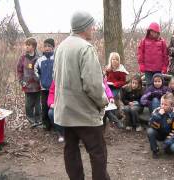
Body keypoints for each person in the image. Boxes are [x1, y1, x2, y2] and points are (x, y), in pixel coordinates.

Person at [53, 11, 110, 180]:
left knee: (71, 150)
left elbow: (56, 78)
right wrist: (103, 101)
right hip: (85, 113)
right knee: (98, 152)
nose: (93, 28)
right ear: (84, 27)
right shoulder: (85, 48)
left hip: (66, 111)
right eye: (91, 25)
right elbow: (92, 85)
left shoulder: (61, 47)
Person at [147, 93, 174, 158]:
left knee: (173, 149)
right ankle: (155, 150)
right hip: (158, 133)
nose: (162, 106)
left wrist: (169, 139)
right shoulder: (156, 111)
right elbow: (150, 124)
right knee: (150, 131)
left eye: (165, 105)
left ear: (171, 105)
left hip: (168, 134)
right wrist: (158, 115)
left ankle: (166, 146)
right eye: (162, 104)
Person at [17, 37, 41, 127]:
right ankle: (31, 120)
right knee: (28, 104)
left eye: (28, 45)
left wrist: (40, 79)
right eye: (26, 45)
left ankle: (38, 120)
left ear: (34, 46)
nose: (26, 47)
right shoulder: (23, 58)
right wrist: (21, 81)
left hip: (37, 85)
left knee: (38, 104)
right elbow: (19, 70)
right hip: (27, 85)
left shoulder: (39, 58)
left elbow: (41, 70)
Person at [137, 22, 169, 87]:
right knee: (149, 84)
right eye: (151, 31)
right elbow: (140, 54)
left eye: (155, 32)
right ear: (149, 31)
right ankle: (148, 97)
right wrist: (141, 65)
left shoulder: (162, 42)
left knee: (158, 85)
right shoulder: (144, 41)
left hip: (158, 69)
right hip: (147, 68)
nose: (153, 33)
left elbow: (165, 55)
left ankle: (157, 97)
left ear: (158, 32)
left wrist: (164, 67)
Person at [34, 38, 55, 130]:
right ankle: (46, 124)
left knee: (54, 106)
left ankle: (55, 124)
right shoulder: (40, 60)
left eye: (49, 46)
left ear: (53, 47)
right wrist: (39, 79)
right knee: (45, 105)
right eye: (45, 46)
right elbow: (35, 70)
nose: (47, 48)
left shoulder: (56, 58)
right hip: (44, 88)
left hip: (55, 89)